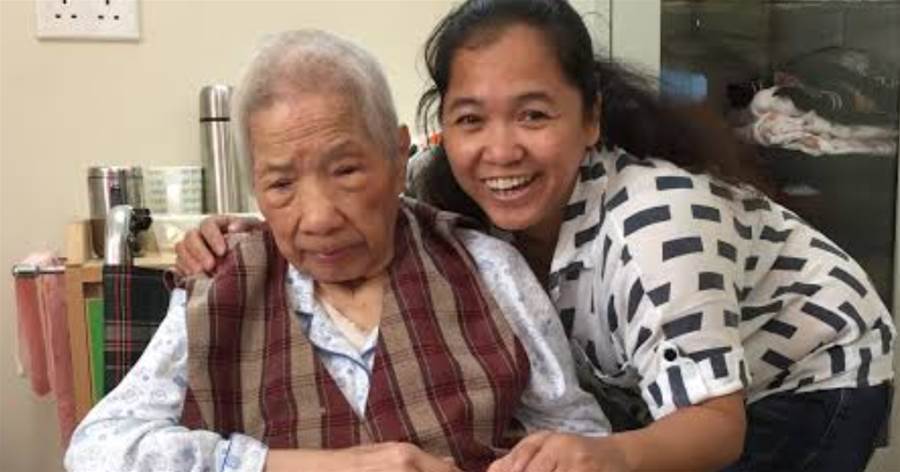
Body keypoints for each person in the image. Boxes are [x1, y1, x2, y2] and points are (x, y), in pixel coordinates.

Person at [176, 1, 896, 471]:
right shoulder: (445, 176)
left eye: (533, 114)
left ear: (590, 118)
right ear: (437, 129)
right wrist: (246, 234)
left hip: (804, 373)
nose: (500, 151)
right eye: (471, 118)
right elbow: (344, 197)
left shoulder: (656, 223)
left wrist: (606, 455)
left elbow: (714, 426)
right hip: (656, 377)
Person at [64, 29, 610, 472]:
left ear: (398, 155)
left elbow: (580, 436)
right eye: (281, 184)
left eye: (346, 170)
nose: (319, 217)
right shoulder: (221, 283)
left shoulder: (486, 268)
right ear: (255, 189)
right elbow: (97, 451)